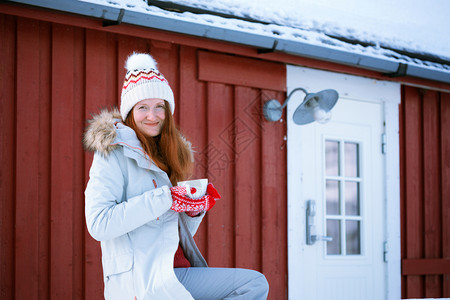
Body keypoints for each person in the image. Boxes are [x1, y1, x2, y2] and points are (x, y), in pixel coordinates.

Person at [84, 52, 269, 300]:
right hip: (145, 278)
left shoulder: (167, 154)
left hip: (176, 269)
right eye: (143, 108)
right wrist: (167, 198)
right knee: (252, 285)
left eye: (159, 106)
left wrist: (191, 211)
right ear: (130, 112)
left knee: (252, 285)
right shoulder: (113, 153)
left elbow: (162, 229)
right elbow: (99, 224)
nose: (153, 115)